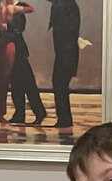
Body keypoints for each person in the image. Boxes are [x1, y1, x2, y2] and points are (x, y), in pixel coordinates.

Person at [7, 1, 46, 125]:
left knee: (27, 83)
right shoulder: (5, 8)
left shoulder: (18, 6)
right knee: (16, 84)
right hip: (12, 49)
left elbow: (29, 10)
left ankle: (38, 111)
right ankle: (20, 113)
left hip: (18, 49)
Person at [46, 0, 80, 128]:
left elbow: (68, 34)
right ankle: (64, 118)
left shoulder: (65, 7)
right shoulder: (66, 6)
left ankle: (64, 118)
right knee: (59, 84)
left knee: (59, 83)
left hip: (65, 54)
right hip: (64, 54)